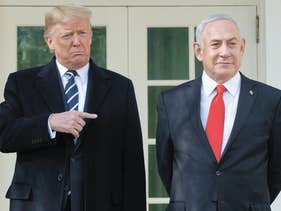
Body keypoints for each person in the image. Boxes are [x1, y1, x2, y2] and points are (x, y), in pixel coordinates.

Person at [0, 5, 146, 211]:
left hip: (102, 203)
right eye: (68, 35)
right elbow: (4, 135)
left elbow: (133, 161)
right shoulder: (22, 83)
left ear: (91, 37)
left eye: (82, 33)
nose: (77, 41)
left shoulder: (120, 87)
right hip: (38, 204)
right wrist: (49, 123)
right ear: (50, 41)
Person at [156, 14, 281, 211]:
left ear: (242, 47)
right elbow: (165, 164)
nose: (225, 52)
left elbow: (276, 169)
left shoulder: (271, 100)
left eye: (232, 44)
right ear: (199, 51)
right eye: (216, 44)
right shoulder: (172, 101)